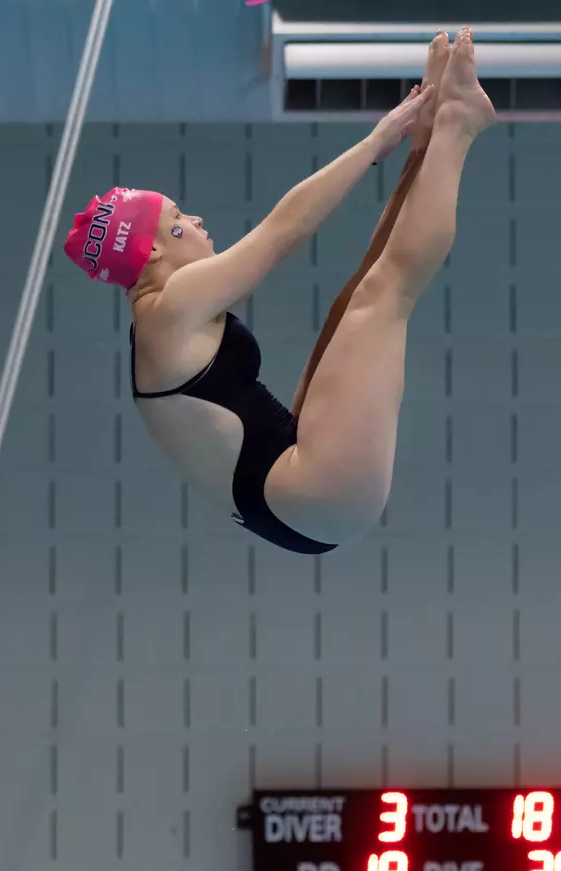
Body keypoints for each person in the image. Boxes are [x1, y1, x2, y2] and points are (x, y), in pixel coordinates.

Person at [64, 28, 495, 555]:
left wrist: (397, 138)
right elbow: (283, 230)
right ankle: (458, 124)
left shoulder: (158, 323)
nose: (196, 219)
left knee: (361, 292)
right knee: (385, 294)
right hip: (314, 493)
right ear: (150, 252)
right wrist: (373, 143)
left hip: (296, 492)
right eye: (179, 219)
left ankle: (428, 135)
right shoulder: (169, 308)